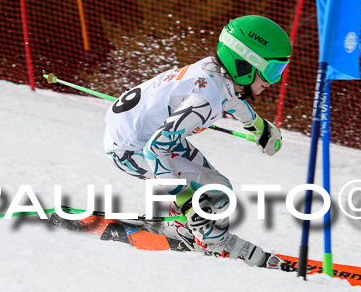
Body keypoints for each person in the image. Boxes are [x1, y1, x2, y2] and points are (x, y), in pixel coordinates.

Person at [103, 15, 291, 269]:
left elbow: (230, 97)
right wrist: (186, 200)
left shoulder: (215, 73)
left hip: (149, 138)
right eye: (271, 71)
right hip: (132, 149)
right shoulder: (204, 100)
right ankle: (214, 244)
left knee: (218, 188)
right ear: (244, 64)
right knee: (215, 196)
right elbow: (155, 151)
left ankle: (181, 228)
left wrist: (258, 126)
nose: (273, 81)